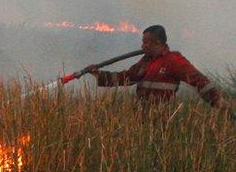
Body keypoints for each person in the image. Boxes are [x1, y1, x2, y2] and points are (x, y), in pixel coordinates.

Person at [87, 25, 226, 109]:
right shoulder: (145, 61)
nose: (142, 46)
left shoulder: (174, 60)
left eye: (145, 42)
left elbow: (199, 81)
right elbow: (126, 77)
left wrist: (218, 102)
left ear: (157, 42)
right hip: (140, 116)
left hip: (162, 120)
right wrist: (99, 75)